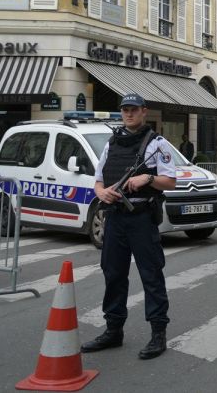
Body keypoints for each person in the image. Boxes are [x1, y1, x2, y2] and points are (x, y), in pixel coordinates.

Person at [81, 93, 177, 360]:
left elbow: (171, 182)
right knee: (113, 273)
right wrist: (102, 193)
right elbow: (98, 180)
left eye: (134, 109)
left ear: (144, 111)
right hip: (115, 216)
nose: (129, 114)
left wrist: (148, 178)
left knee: (151, 274)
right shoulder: (112, 143)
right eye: (125, 110)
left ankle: (158, 333)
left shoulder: (157, 143)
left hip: (141, 217)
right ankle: (114, 330)